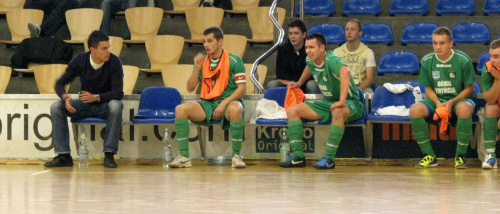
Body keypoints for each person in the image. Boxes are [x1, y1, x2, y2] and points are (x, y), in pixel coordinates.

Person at [278, 33, 364, 169]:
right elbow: (309, 67)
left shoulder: (331, 59)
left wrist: (342, 101)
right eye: (306, 47)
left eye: (311, 47)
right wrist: (300, 82)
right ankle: (298, 157)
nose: (308, 51)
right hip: (328, 103)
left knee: (337, 111)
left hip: (351, 103)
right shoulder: (310, 60)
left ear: (322, 48)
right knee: (293, 110)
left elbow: (345, 71)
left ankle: (329, 159)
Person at [169, 27, 247, 168]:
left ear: (220, 41)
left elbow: (242, 89)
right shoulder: (202, 61)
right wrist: (197, 68)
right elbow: (190, 87)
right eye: (204, 41)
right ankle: (184, 157)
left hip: (228, 103)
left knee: (236, 108)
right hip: (207, 103)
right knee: (180, 109)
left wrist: (223, 104)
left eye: (210, 41)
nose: (206, 45)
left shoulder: (234, 60)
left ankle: (236, 156)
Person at [44, 30, 124, 168]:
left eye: (109, 47)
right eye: (104, 48)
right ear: (92, 50)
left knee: (116, 106)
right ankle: (63, 156)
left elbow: (118, 92)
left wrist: (97, 97)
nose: (108, 51)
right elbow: (59, 83)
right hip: (84, 105)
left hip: (104, 105)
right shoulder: (80, 60)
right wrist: (65, 97)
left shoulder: (114, 62)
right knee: (56, 106)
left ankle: (109, 155)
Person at [410, 27, 476, 169]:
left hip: (459, 100)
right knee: (415, 109)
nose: (437, 47)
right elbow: (428, 88)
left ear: (450, 44)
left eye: (442, 43)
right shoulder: (427, 60)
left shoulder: (463, 59)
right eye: (435, 43)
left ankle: (460, 157)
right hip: (437, 101)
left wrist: (451, 102)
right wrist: (438, 103)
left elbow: (469, 89)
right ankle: (429, 155)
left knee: (464, 109)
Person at [266, 20, 320, 94]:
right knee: (272, 84)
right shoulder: (283, 49)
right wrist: (290, 83)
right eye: (290, 33)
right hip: (288, 84)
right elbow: (280, 75)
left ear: (304, 35)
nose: (292, 36)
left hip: (305, 84)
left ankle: (313, 105)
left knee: (312, 84)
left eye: (296, 33)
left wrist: (299, 82)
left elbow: (315, 73)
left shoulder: (311, 48)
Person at [334, 19, 376, 94]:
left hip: (360, 87)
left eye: (352, 29)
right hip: (341, 86)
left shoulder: (368, 52)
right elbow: (333, 74)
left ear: (360, 33)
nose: (349, 32)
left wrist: (356, 91)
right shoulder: (337, 52)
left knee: (369, 92)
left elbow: (370, 79)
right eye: (347, 29)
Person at [481, 39, 500, 169]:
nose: (492, 60)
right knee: (490, 109)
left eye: (496, 57)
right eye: (491, 56)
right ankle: (491, 156)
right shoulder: (488, 68)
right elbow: (489, 99)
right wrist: (498, 80)